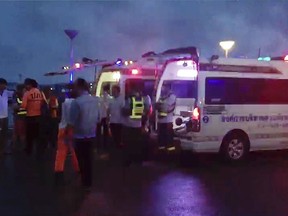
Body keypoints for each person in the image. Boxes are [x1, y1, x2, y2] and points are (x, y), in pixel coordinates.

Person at [68, 78, 100, 190]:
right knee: (89, 159)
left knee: (81, 159)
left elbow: (71, 121)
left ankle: (84, 182)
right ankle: (88, 182)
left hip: (79, 135)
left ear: (79, 87)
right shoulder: (96, 100)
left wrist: (68, 137)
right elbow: (99, 117)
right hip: (91, 134)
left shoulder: (77, 102)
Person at [54, 89, 79, 185]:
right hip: (72, 129)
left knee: (61, 151)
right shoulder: (76, 104)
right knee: (74, 150)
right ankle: (78, 168)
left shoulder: (64, 102)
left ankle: (58, 170)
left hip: (62, 128)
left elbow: (59, 114)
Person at [121, 83, 150, 167]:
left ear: (132, 90)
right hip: (138, 125)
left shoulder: (129, 99)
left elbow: (124, 112)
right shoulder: (144, 98)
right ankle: (138, 161)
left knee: (128, 144)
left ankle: (128, 161)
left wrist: (125, 110)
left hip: (128, 125)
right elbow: (147, 111)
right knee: (137, 144)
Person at [22, 78, 43, 156]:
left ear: (30, 85)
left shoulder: (27, 93)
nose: (25, 86)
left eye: (26, 84)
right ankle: (39, 150)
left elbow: (23, 106)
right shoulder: (39, 92)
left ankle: (29, 150)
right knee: (37, 134)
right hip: (38, 116)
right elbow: (42, 103)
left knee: (29, 135)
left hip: (30, 116)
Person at [155, 83, 176, 151]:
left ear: (169, 87)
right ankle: (161, 152)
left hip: (168, 121)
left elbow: (165, 105)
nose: (163, 88)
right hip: (161, 121)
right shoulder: (161, 96)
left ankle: (171, 153)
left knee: (169, 138)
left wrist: (160, 105)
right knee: (161, 138)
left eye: (165, 86)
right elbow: (157, 105)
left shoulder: (172, 96)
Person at [97, 84, 112, 156]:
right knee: (106, 133)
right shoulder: (110, 98)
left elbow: (99, 109)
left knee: (99, 133)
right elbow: (109, 109)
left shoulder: (100, 98)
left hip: (101, 117)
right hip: (106, 117)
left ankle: (99, 146)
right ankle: (106, 146)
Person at [0, 78, 14, 154]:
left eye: (5, 85)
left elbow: (15, 93)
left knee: (4, 134)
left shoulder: (6, 92)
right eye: (3, 85)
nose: (5, 86)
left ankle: (3, 149)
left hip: (5, 117)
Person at [12, 84, 27, 151]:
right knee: (20, 132)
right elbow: (14, 106)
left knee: (21, 132)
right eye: (24, 89)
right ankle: (18, 147)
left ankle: (18, 146)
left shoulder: (25, 96)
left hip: (25, 117)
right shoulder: (16, 97)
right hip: (19, 117)